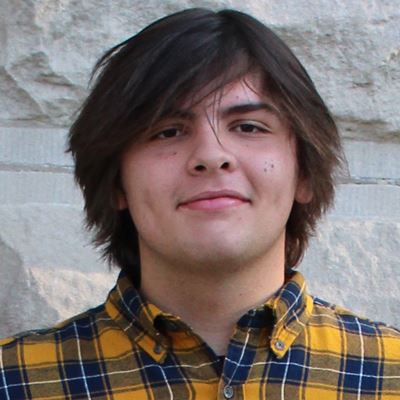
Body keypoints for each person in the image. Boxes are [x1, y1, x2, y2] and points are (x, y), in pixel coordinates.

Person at [0, 7, 399, 399]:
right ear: (117, 181)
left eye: (248, 127)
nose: (211, 155)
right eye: (168, 131)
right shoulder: (14, 381)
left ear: (305, 173)